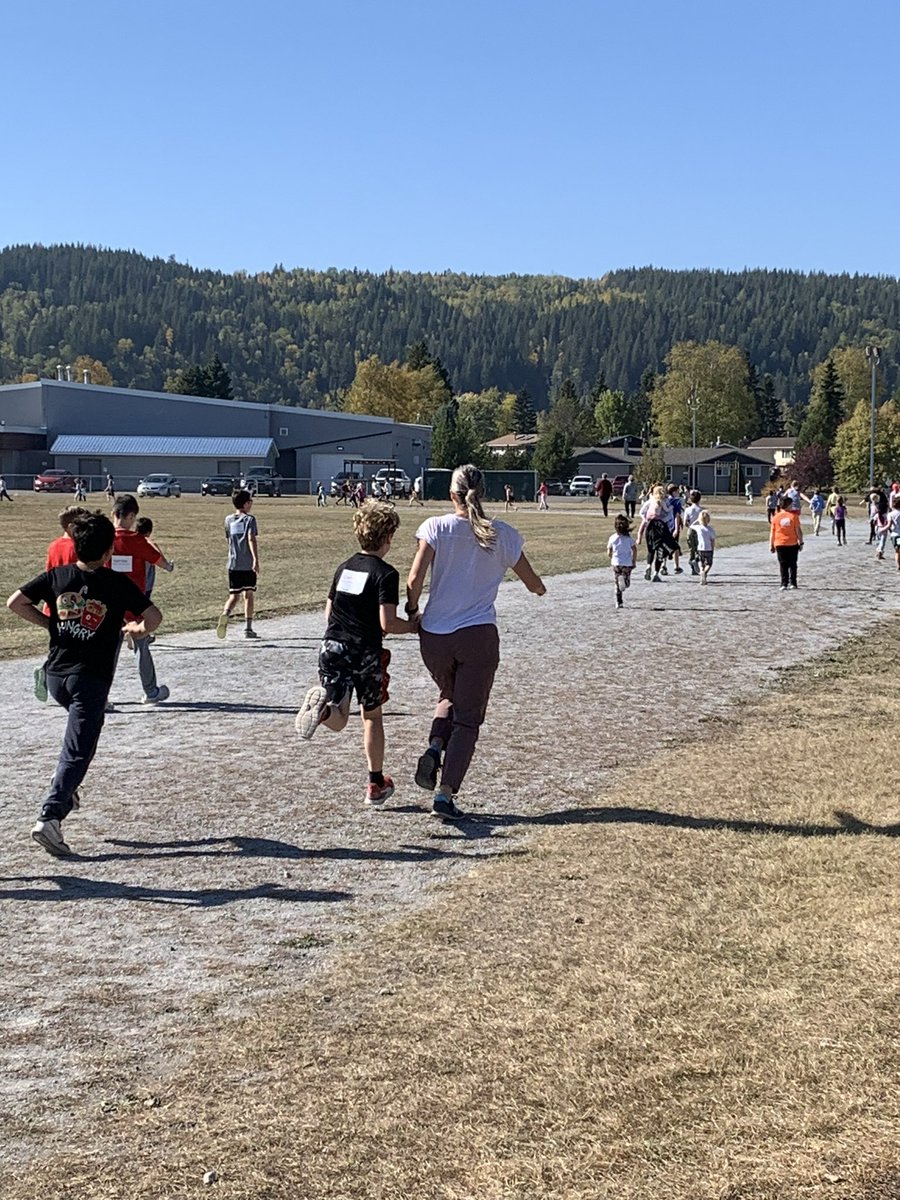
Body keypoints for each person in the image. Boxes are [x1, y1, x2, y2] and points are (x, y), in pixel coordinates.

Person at [7, 511, 161, 857]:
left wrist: (50, 625)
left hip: (56, 676)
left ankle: (66, 784)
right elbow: (153, 617)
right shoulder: (116, 584)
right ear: (108, 551)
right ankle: (51, 815)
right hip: (88, 680)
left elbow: (15, 602)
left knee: (76, 746)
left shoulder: (58, 575)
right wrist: (135, 630)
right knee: (78, 749)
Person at [406, 464, 546, 820]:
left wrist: (412, 611)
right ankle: (445, 794)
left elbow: (415, 578)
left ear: (451, 495)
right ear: (482, 493)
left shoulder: (435, 527)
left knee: (448, 695)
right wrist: (540, 589)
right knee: (468, 719)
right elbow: (531, 582)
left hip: (434, 636)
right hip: (477, 636)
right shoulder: (502, 534)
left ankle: (435, 744)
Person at [295, 501, 419, 805]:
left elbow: (329, 612)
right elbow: (386, 623)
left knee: (337, 717)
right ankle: (375, 783)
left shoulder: (344, 567)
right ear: (388, 536)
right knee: (371, 716)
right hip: (365, 651)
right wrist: (415, 627)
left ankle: (321, 710)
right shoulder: (386, 574)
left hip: (332, 645)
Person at [111, 495, 172, 701]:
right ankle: (150, 691)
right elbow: (160, 561)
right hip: (134, 603)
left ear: (113, 514)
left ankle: (100, 696)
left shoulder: (104, 538)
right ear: (130, 516)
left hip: (107, 602)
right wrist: (167, 565)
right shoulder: (137, 540)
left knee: (107, 651)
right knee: (141, 646)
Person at [216, 488, 260, 640]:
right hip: (247, 564)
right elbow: (251, 539)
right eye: (250, 501)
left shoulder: (228, 519)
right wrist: (255, 560)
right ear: (246, 503)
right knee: (248, 594)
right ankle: (248, 628)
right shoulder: (250, 519)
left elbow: (228, 539)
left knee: (234, 595)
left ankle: (225, 615)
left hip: (233, 563)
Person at [770, 494, 804, 590]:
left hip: (779, 543)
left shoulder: (776, 517)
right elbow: (798, 531)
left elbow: (772, 532)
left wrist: (771, 544)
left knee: (783, 564)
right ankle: (793, 582)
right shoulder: (794, 516)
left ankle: (784, 583)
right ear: (788, 505)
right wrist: (801, 542)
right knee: (793, 564)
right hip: (792, 543)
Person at [607, 514, 636, 609]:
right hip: (627, 563)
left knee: (617, 584)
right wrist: (633, 561)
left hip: (616, 563)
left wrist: (612, 558)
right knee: (626, 584)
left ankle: (619, 602)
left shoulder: (612, 538)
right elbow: (634, 550)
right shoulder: (629, 539)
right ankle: (624, 581)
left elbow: (609, 552)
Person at [693, 509, 716, 584]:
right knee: (709, 563)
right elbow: (712, 540)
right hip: (708, 548)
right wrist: (712, 549)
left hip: (700, 548)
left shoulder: (698, 528)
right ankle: (705, 573)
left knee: (701, 562)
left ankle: (702, 571)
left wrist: (697, 520)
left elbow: (691, 525)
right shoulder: (710, 529)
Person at [683, 489, 703, 575]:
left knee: (692, 549)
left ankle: (693, 568)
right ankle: (696, 562)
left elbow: (685, 522)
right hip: (700, 531)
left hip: (691, 530)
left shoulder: (688, 510)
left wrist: (689, 525)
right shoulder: (702, 510)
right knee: (700, 549)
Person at [888, 495, 900, 570]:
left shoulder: (890, 514)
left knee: (897, 551)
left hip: (895, 535)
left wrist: (882, 529)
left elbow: (888, 525)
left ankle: (898, 565)